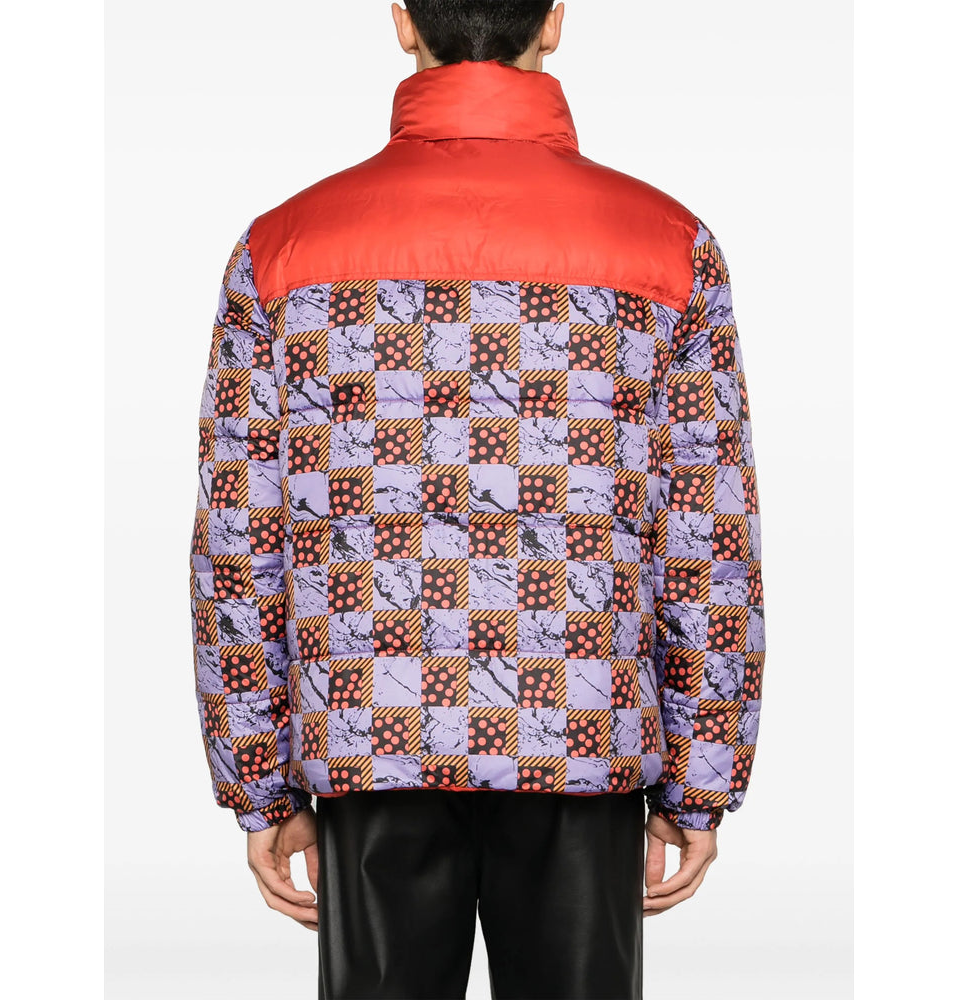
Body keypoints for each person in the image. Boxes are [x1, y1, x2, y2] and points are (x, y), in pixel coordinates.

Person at [187, 3, 767, 998]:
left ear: (402, 22)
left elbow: (240, 538)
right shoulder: (669, 247)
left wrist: (260, 781)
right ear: (555, 19)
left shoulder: (281, 250)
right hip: (578, 729)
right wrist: (701, 778)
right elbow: (708, 538)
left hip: (373, 729)